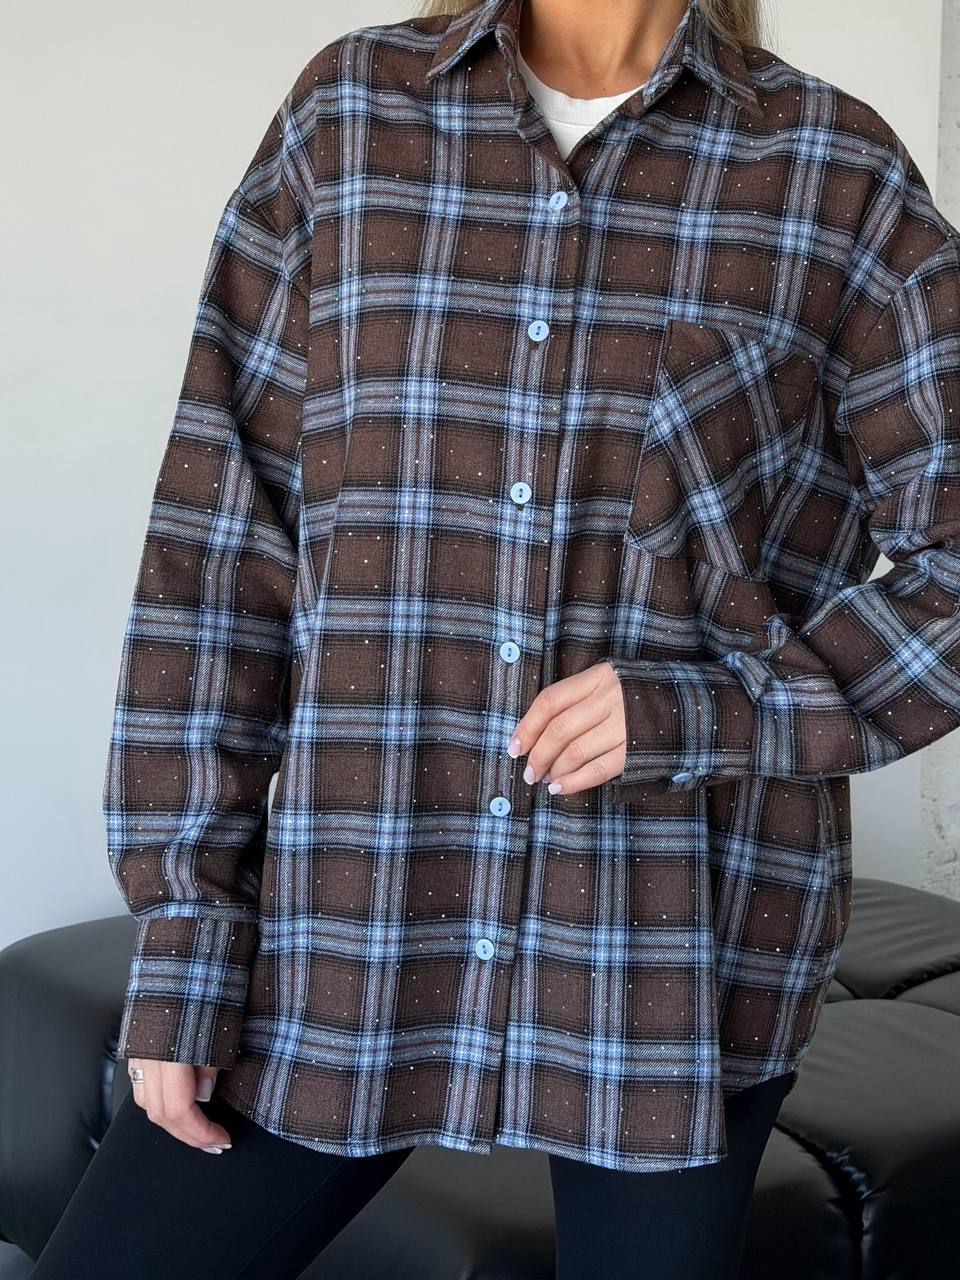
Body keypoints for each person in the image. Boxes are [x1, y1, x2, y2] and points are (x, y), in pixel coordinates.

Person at [32, 0, 960, 1277]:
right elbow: (221, 541)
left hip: (669, 939)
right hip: (352, 907)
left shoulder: (833, 168)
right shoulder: (351, 112)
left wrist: (711, 704)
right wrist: (188, 930)